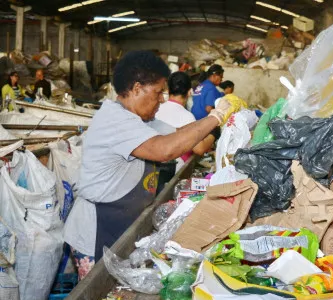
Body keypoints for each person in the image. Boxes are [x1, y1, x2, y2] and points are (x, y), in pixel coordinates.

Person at [63, 51, 229, 280]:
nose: (162, 99)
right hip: (97, 227)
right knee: (97, 295)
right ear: (137, 88)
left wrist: (219, 124)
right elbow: (164, 150)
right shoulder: (115, 120)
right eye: (159, 92)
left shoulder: (141, 120)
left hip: (119, 223)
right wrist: (215, 118)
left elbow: (179, 136)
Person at [155, 71, 220, 171]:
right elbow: (199, 149)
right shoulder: (187, 116)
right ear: (190, 92)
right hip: (174, 169)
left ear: (168, 90)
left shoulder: (156, 109)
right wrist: (214, 134)